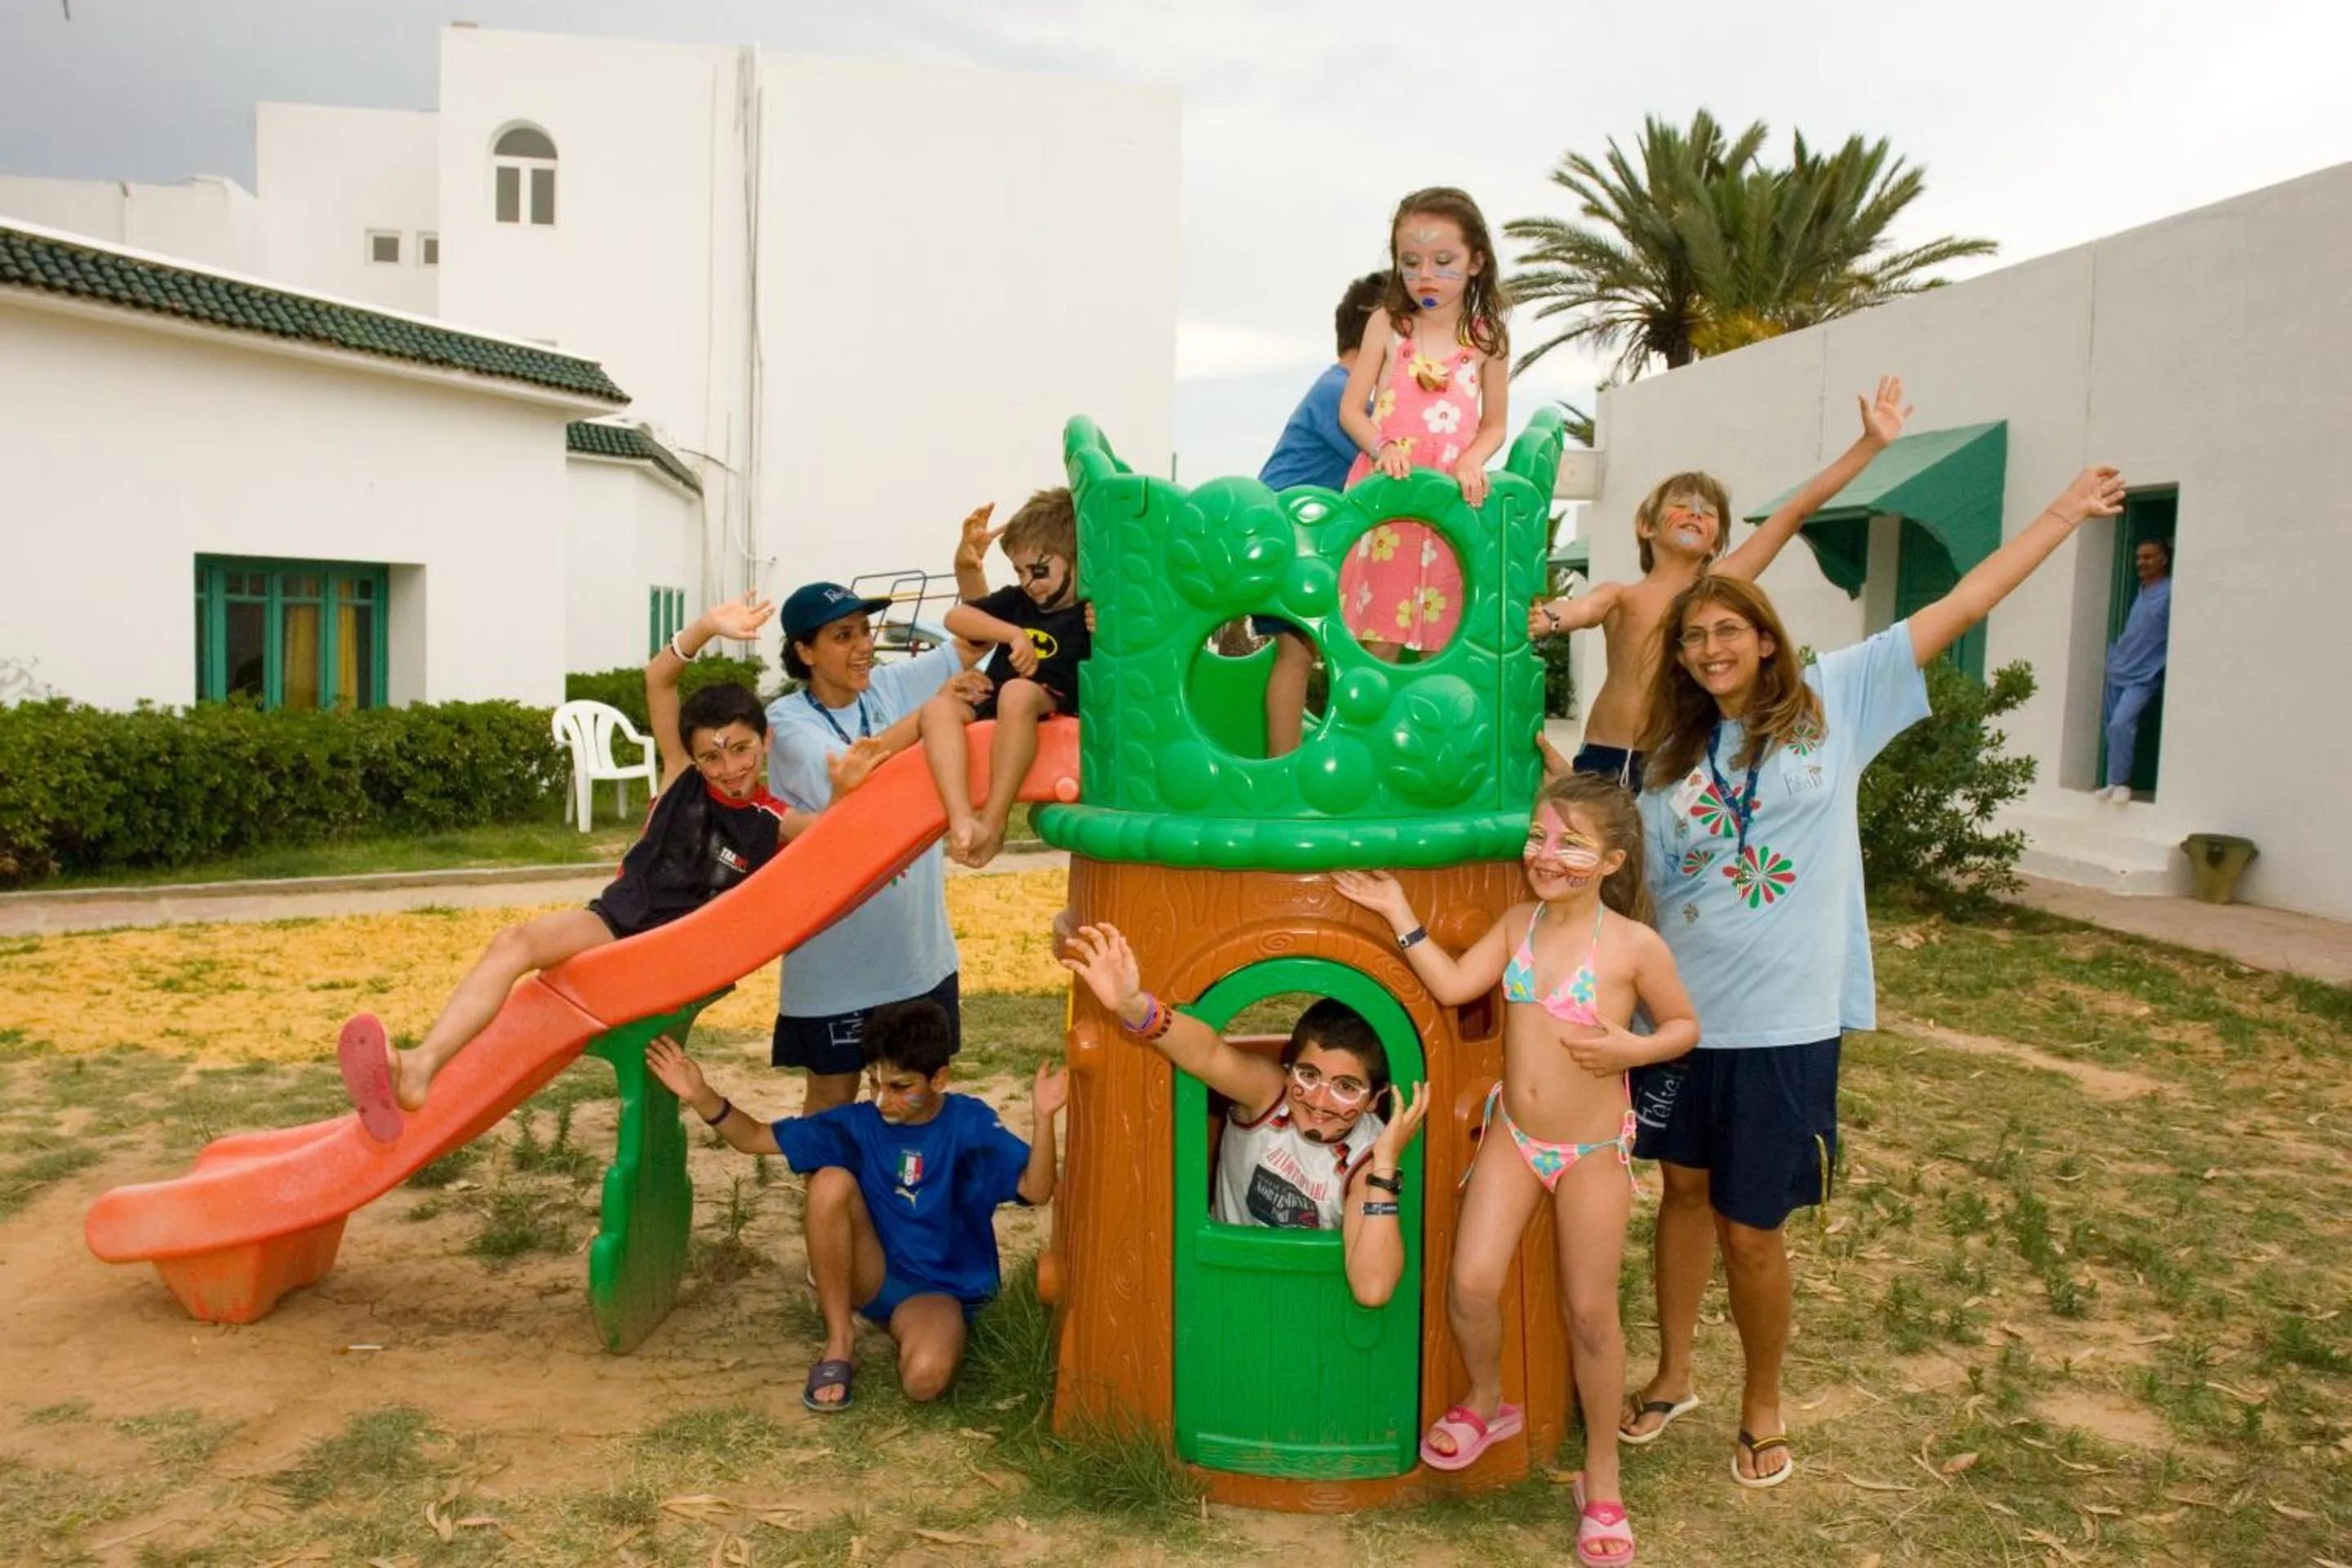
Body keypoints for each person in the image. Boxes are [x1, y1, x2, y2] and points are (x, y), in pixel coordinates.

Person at [1621, 467, 2128, 1489]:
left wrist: (2064, 515)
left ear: (1765, 637)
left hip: (1786, 1020)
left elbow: (1963, 603)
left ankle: (1763, 1403)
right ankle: (1673, 1374)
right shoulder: (1667, 757)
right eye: (1692, 638)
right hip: (1678, 1019)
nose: (1711, 649)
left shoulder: (1833, 702)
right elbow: (1638, 894)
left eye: (1729, 630)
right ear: (1677, 658)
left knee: (1749, 1228)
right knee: (1679, 1195)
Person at [1334, 773, 1697, 1566]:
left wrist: (1633, 1049)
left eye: (1570, 843)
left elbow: (1682, 1027)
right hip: (1517, 1137)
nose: (1546, 854)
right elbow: (1458, 983)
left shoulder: (1633, 946)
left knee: (1591, 1313)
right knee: (1469, 1281)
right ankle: (1489, 1399)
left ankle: (1601, 1477)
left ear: (1611, 860)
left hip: (1592, 1151)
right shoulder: (1518, 924)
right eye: (1538, 836)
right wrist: (1400, 913)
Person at [336, 592, 800, 1140]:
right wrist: (706, 626)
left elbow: (849, 833)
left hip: (678, 958)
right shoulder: (682, 776)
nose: (729, 769)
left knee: (543, 960)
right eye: (713, 757)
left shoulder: (777, 821)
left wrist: (851, 784)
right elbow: (660, 679)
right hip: (615, 925)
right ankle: (420, 1068)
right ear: (693, 756)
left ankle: (421, 1068)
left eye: (742, 750)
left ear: (765, 741)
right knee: (515, 942)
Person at [646, 999, 1065, 1411]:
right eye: (874, 1083)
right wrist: (700, 1095)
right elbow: (754, 1138)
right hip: (875, 1274)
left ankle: (915, 1330)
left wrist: (1043, 1117)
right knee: (830, 1182)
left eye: (900, 1087)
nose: (883, 1101)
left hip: (938, 1290)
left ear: (939, 1080)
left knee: (924, 1381)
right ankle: (840, 1341)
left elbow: (1036, 1189)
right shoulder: (858, 1122)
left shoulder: (968, 1124)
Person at [1527, 378, 1915, 791]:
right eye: (1680, 507)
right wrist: (1549, 618)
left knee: (1664, 857)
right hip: (1605, 756)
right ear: (1646, 526)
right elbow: (1579, 610)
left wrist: (1870, 444)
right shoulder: (1620, 595)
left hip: (1676, 761)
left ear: (1718, 539)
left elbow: (1795, 512)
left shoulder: (1719, 586)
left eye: (1708, 512)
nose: (1695, 513)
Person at [1058, 923, 1429, 1307]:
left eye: (1346, 1087)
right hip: (1225, 1289)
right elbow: (1209, 1055)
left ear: (1374, 1100)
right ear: (1289, 1067)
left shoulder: (1367, 1156)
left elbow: (1373, 1289)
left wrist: (1385, 1166)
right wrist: (1137, 1008)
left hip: (1309, 1309)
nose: (1321, 1100)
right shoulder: (1271, 1094)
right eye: (1309, 1075)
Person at [768, 525, 995, 1116]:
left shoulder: (888, 687)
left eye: (865, 630)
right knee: (833, 1101)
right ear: (805, 652)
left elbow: (973, 645)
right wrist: (934, 715)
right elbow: (856, 775)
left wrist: (969, 570)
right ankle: (828, 1209)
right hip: (836, 962)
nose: (863, 645)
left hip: (918, 955)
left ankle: (896, 1210)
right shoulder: (789, 722)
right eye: (843, 635)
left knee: (919, 1101)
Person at [1335, 187, 1512, 661]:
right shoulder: (1387, 325)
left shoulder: (1487, 338)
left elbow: (1495, 423)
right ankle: (1368, 734)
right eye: (1410, 262)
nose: (1425, 276)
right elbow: (1352, 411)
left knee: (1445, 642)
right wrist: (1383, 448)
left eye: (1442, 259)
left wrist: (1472, 460)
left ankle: (1431, 732)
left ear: (1476, 261)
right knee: (1379, 639)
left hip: (1450, 500)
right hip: (1391, 496)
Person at [919, 488, 1089, 868]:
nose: (1030, 582)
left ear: (1079, 561)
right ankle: (961, 817)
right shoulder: (1018, 603)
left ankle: (994, 823)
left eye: (1039, 571)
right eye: (1020, 572)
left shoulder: (1091, 612)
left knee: (1017, 692)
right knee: (936, 709)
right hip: (1001, 700)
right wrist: (1013, 634)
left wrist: (1107, 625)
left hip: (1052, 701)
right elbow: (956, 619)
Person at [1256, 271, 1388, 755]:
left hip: (1298, 536)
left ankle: (1289, 758)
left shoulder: (1339, 389)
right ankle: (1283, 762)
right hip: (1288, 536)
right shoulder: (1342, 395)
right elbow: (1391, 466)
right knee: (1295, 652)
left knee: (1298, 651)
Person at [2100, 537, 2172, 804]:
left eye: (2149, 557)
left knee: (2121, 723)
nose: (2142, 562)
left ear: (2163, 559)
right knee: (2111, 727)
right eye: (2140, 557)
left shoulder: (2170, 591)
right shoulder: (2141, 589)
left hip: (2145, 672)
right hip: (2120, 667)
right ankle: (2111, 780)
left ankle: (2122, 782)